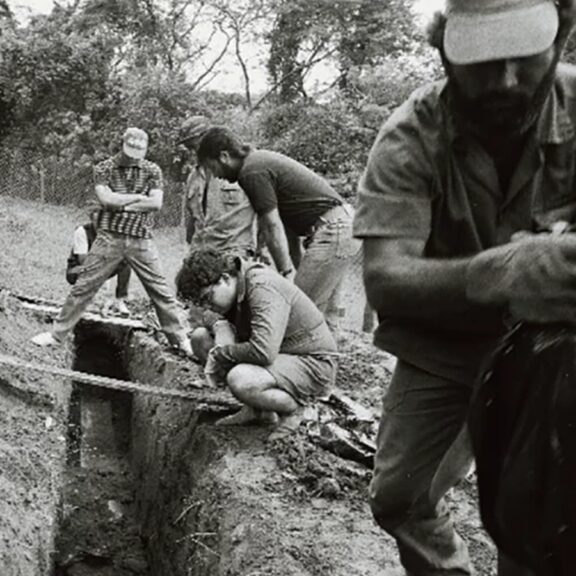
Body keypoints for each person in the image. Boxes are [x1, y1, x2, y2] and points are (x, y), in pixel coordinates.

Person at [354, 0, 576, 574]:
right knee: (400, 497)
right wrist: (498, 274)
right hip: (448, 342)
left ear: (564, 32)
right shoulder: (411, 134)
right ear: (445, 50)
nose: (505, 80)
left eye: (524, 58)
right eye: (481, 61)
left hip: (563, 346)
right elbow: (385, 276)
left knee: (540, 512)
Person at [32, 127, 192, 354]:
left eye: (139, 152)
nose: (134, 157)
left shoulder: (152, 170)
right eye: (131, 151)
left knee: (161, 291)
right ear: (123, 145)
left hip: (141, 239)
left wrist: (121, 203)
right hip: (109, 238)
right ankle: (57, 335)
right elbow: (106, 200)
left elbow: (155, 204)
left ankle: (181, 340)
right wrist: (138, 198)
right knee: (84, 286)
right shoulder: (104, 168)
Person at [196, 128, 361, 334]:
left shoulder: (251, 171)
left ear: (224, 156)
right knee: (324, 313)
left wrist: (286, 273)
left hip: (334, 230)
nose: (216, 176)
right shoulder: (258, 163)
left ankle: (294, 362)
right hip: (340, 228)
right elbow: (286, 227)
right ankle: (328, 359)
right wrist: (294, 269)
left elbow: (272, 226)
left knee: (298, 313)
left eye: (212, 168)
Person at [175, 248, 337, 439]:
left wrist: (220, 353)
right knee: (200, 338)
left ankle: (294, 410)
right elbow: (206, 315)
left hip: (311, 362)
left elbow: (263, 352)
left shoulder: (261, 287)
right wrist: (220, 325)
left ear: (225, 279)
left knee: (240, 379)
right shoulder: (235, 286)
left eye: (207, 298)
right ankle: (258, 410)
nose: (207, 306)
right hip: (280, 356)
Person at [178, 116, 258, 260]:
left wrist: (262, 247)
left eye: (195, 145)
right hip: (202, 254)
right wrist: (190, 250)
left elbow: (265, 210)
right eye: (190, 147)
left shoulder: (241, 168)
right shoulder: (193, 177)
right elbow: (191, 219)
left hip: (234, 252)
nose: (194, 151)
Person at [66, 210, 132, 316]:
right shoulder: (82, 231)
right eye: (97, 221)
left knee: (126, 261)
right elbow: (83, 261)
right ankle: (85, 298)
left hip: (101, 268)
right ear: (92, 220)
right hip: (78, 270)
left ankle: (120, 301)